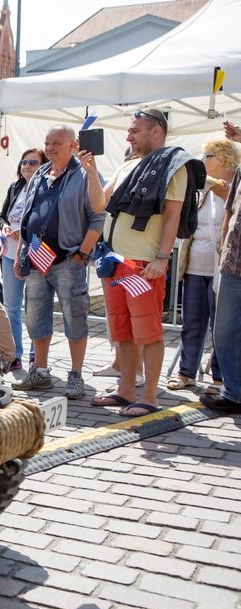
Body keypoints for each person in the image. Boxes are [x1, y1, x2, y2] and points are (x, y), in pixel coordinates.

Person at [83, 109, 206, 416]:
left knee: (148, 332)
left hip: (143, 264)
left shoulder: (174, 165)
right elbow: (99, 204)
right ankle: (126, 390)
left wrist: (162, 258)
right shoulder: (128, 165)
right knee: (123, 331)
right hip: (115, 261)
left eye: (134, 130)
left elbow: (173, 216)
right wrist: (90, 170)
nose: (128, 136)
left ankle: (149, 397)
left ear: (156, 131)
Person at [13, 124, 104, 400]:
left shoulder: (85, 174)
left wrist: (81, 255)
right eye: (48, 143)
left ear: (73, 145)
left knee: (74, 317)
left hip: (67, 259)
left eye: (57, 143)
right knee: (35, 317)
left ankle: (75, 376)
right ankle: (40, 372)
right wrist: (21, 253)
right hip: (37, 258)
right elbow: (27, 216)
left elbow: (98, 218)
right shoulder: (40, 173)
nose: (50, 148)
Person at [170, 137, 238, 393]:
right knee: (192, 321)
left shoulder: (235, 187)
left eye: (207, 156)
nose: (202, 162)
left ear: (222, 159)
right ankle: (186, 372)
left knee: (222, 326)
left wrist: (221, 190)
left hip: (225, 268)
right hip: (195, 264)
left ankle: (219, 378)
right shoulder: (201, 188)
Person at [0, 148, 47, 370]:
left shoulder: (46, 189)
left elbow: (46, 221)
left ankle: (38, 357)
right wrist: (6, 226)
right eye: (24, 161)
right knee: (12, 307)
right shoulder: (15, 186)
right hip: (9, 253)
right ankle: (15, 354)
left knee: (36, 307)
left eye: (33, 162)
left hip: (36, 253)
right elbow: (1, 217)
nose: (26, 166)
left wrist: (25, 233)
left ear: (43, 166)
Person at [203, 120, 241, 412]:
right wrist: (224, 244)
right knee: (224, 331)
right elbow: (229, 210)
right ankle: (234, 392)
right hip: (233, 265)